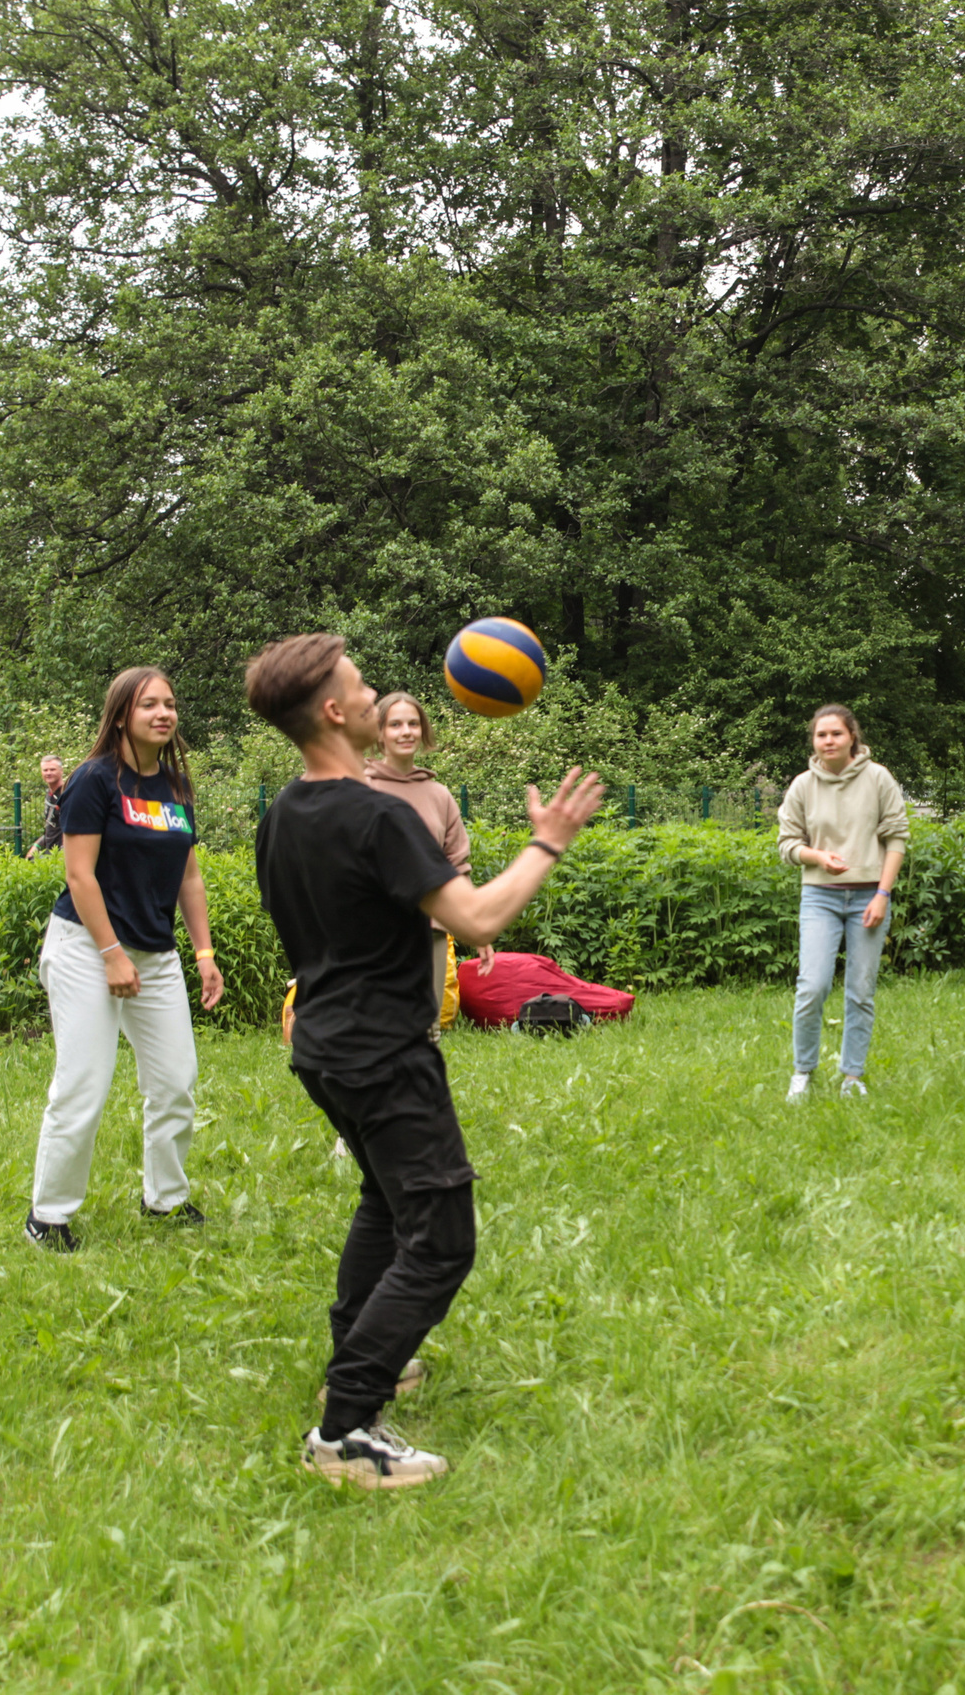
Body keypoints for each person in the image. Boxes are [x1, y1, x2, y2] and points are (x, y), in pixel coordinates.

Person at [247, 634, 601, 1490]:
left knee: (384, 1198)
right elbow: (477, 920)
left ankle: (356, 1360)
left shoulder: (282, 814)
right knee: (441, 1239)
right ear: (333, 710)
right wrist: (547, 841)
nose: (375, 698)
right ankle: (346, 1428)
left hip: (323, 1047)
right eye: (362, 688)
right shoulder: (379, 815)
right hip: (382, 1053)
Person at [24, 668, 225, 1252]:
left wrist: (203, 952)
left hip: (155, 955)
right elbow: (78, 874)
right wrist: (111, 954)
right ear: (121, 715)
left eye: (170, 704)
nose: (163, 713)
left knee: (175, 1082)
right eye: (149, 706)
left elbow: (189, 875)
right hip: (87, 948)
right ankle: (48, 1217)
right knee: (82, 1084)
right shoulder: (94, 781)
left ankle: (164, 1199)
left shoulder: (175, 787)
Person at [777, 704, 910, 1101]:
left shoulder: (878, 778)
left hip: (870, 896)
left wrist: (883, 895)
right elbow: (787, 845)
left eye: (836, 733)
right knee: (812, 986)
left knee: (860, 991)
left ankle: (852, 1076)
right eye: (821, 735)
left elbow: (896, 839)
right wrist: (817, 858)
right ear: (814, 741)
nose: (829, 741)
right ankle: (802, 1072)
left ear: (852, 736)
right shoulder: (802, 785)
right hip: (819, 896)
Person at [364, 692, 472, 1035]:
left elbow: (457, 865)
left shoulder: (439, 796)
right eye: (395, 724)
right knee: (376, 1029)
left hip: (430, 932)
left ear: (423, 731)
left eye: (413, 723)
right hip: (372, 933)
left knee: (426, 1031)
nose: (406, 731)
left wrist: (475, 924)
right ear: (379, 733)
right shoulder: (358, 789)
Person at [27, 756, 67, 857]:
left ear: (61, 771)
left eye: (52, 769)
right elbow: (52, 827)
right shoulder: (49, 795)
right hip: (50, 851)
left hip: (63, 853)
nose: (48, 773)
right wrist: (36, 846)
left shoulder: (66, 794)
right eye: (45, 770)